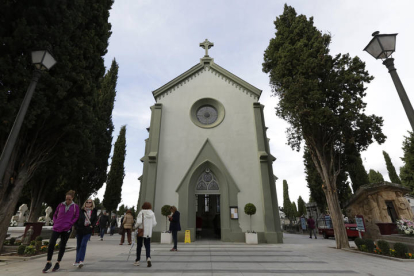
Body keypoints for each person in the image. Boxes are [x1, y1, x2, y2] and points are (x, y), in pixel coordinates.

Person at [42, 190, 79, 273]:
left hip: (66, 228)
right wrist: (55, 221)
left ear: (72, 198)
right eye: (66, 199)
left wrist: (70, 223)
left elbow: (76, 217)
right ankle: (48, 262)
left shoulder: (75, 207)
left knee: (62, 245)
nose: (67, 201)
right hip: (57, 227)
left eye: (69, 199)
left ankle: (58, 263)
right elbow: (55, 214)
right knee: (51, 243)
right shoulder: (61, 205)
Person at [74, 198, 97, 268]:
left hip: (87, 230)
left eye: (90, 202)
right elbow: (75, 218)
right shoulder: (81, 210)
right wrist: (76, 226)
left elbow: (95, 219)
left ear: (92, 204)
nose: (88, 203)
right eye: (87, 202)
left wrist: (92, 226)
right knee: (78, 246)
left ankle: (81, 260)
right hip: (80, 229)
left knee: (83, 244)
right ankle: (77, 261)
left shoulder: (94, 211)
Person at [134, 202, 157, 267]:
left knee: (139, 246)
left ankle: (137, 260)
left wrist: (135, 227)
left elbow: (139, 222)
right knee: (147, 246)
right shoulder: (152, 213)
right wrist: (149, 226)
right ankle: (148, 258)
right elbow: (154, 223)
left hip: (141, 231)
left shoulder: (141, 212)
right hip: (148, 232)